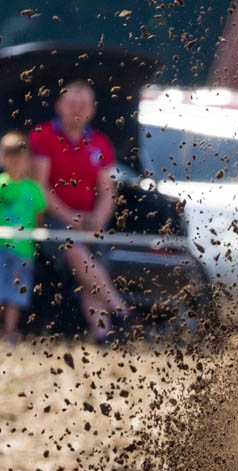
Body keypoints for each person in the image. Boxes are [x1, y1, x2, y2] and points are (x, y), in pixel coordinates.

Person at [28, 79, 128, 343]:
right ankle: (123, 311)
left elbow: (107, 190)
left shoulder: (101, 143)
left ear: (92, 110)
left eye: (83, 105)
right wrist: (70, 217)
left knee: (90, 274)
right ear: (59, 105)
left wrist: (98, 221)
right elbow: (40, 187)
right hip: (53, 220)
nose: (77, 110)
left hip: (91, 223)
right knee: (76, 253)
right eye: (72, 103)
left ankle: (103, 335)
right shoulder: (43, 136)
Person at [0, 132, 46, 344]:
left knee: (14, 296)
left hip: (23, 252)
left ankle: (9, 335)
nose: (16, 162)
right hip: (1, 249)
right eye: (11, 157)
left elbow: (38, 221)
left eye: (20, 157)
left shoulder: (34, 189)